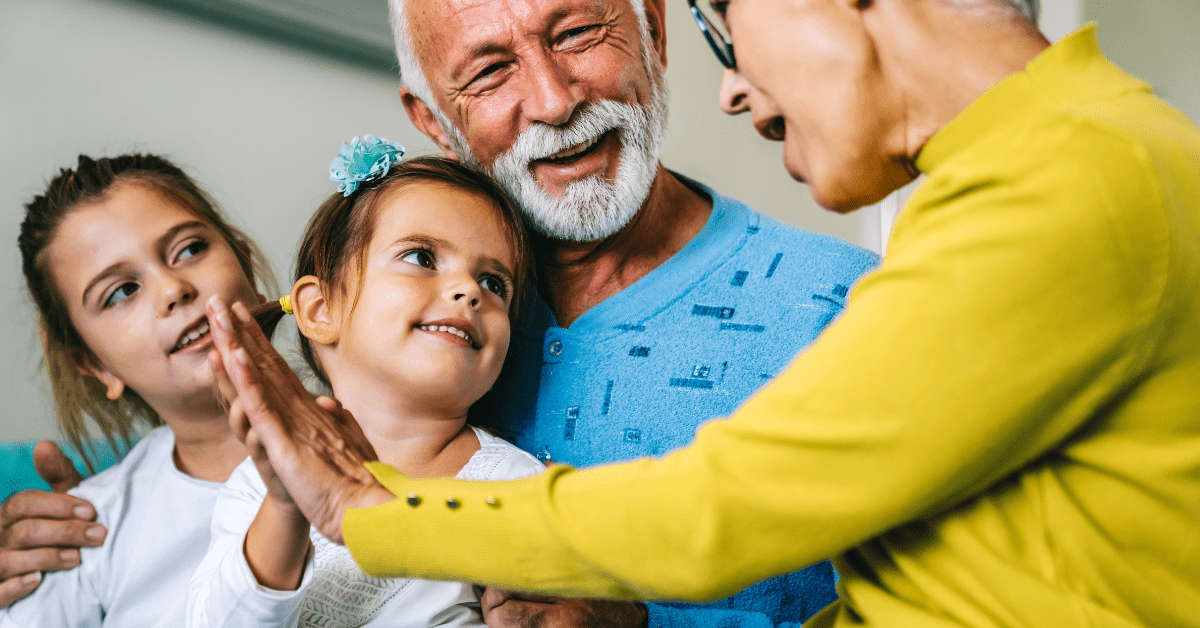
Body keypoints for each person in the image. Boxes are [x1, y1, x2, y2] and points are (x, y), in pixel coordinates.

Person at [207, 0, 1200, 627]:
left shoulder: (1072, 181)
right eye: (492, 69)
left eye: (727, 22)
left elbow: (728, 506)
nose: (735, 90)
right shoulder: (1044, 172)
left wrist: (369, 509)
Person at [0, 1, 877, 626]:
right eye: (489, 71)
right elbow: (214, 447)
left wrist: (639, 622)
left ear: (652, 27)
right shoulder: (385, 324)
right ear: (430, 117)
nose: (553, 99)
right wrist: (59, 508)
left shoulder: (851, 309)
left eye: (576, 31)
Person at [186, 144, 546, 627]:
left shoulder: (515, 486)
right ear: (320, 310)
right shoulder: (255, 486)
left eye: (494, 283)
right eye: (421, 257)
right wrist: (286, 503)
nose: (468, 290)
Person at [0, 154, 277, 627]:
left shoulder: (397, 428)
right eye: (120, 292)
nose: (173, 289)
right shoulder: (91, 530)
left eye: (190, 249)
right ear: (94, 365)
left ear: (246, 269)